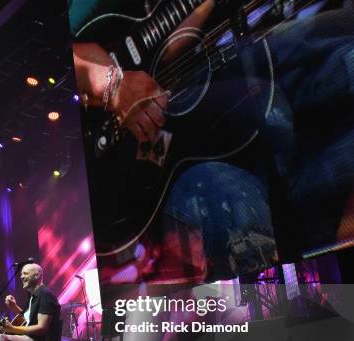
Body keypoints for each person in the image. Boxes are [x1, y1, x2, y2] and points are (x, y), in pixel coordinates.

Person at [70, 0, 354, 285]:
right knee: (235, 207)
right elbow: (55, 62)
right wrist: (112, 84)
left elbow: (168, 44)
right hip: (186, 167)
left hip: (245, 83)